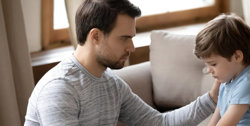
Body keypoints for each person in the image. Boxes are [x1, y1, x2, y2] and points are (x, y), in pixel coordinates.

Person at [24, 0, 221, 125]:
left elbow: (160, 123)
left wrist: (212, 98)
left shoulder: (111, 84)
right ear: (96, 36)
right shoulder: (59, 89)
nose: (132, 47)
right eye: (124, 38)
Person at [194, 13, 250, 126]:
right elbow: (218, 116)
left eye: (213, 64)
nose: (209, 70)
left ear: (237, 57)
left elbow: (227, 124)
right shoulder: (226, 81)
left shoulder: (249, 83)